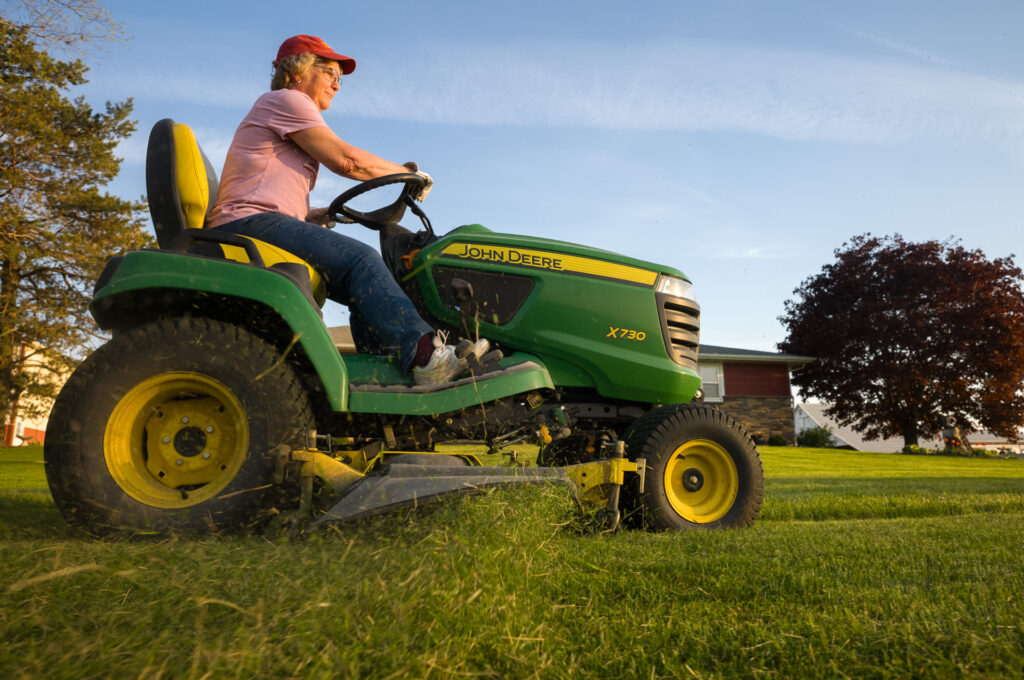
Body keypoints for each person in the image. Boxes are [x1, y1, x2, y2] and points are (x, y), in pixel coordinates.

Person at [207, 35, 485, 386]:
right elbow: (347, 161)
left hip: (257, 220)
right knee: (362, 262)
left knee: (367, 289)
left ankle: (380, 379)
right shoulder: (287, 100)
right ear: (296, 73)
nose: (337, 84)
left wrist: (318, 214)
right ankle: (426, 359)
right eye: (329, 72)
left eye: (340, 78)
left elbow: (266, 188)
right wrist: (410, 174)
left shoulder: (281, 111)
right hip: (247, 223)